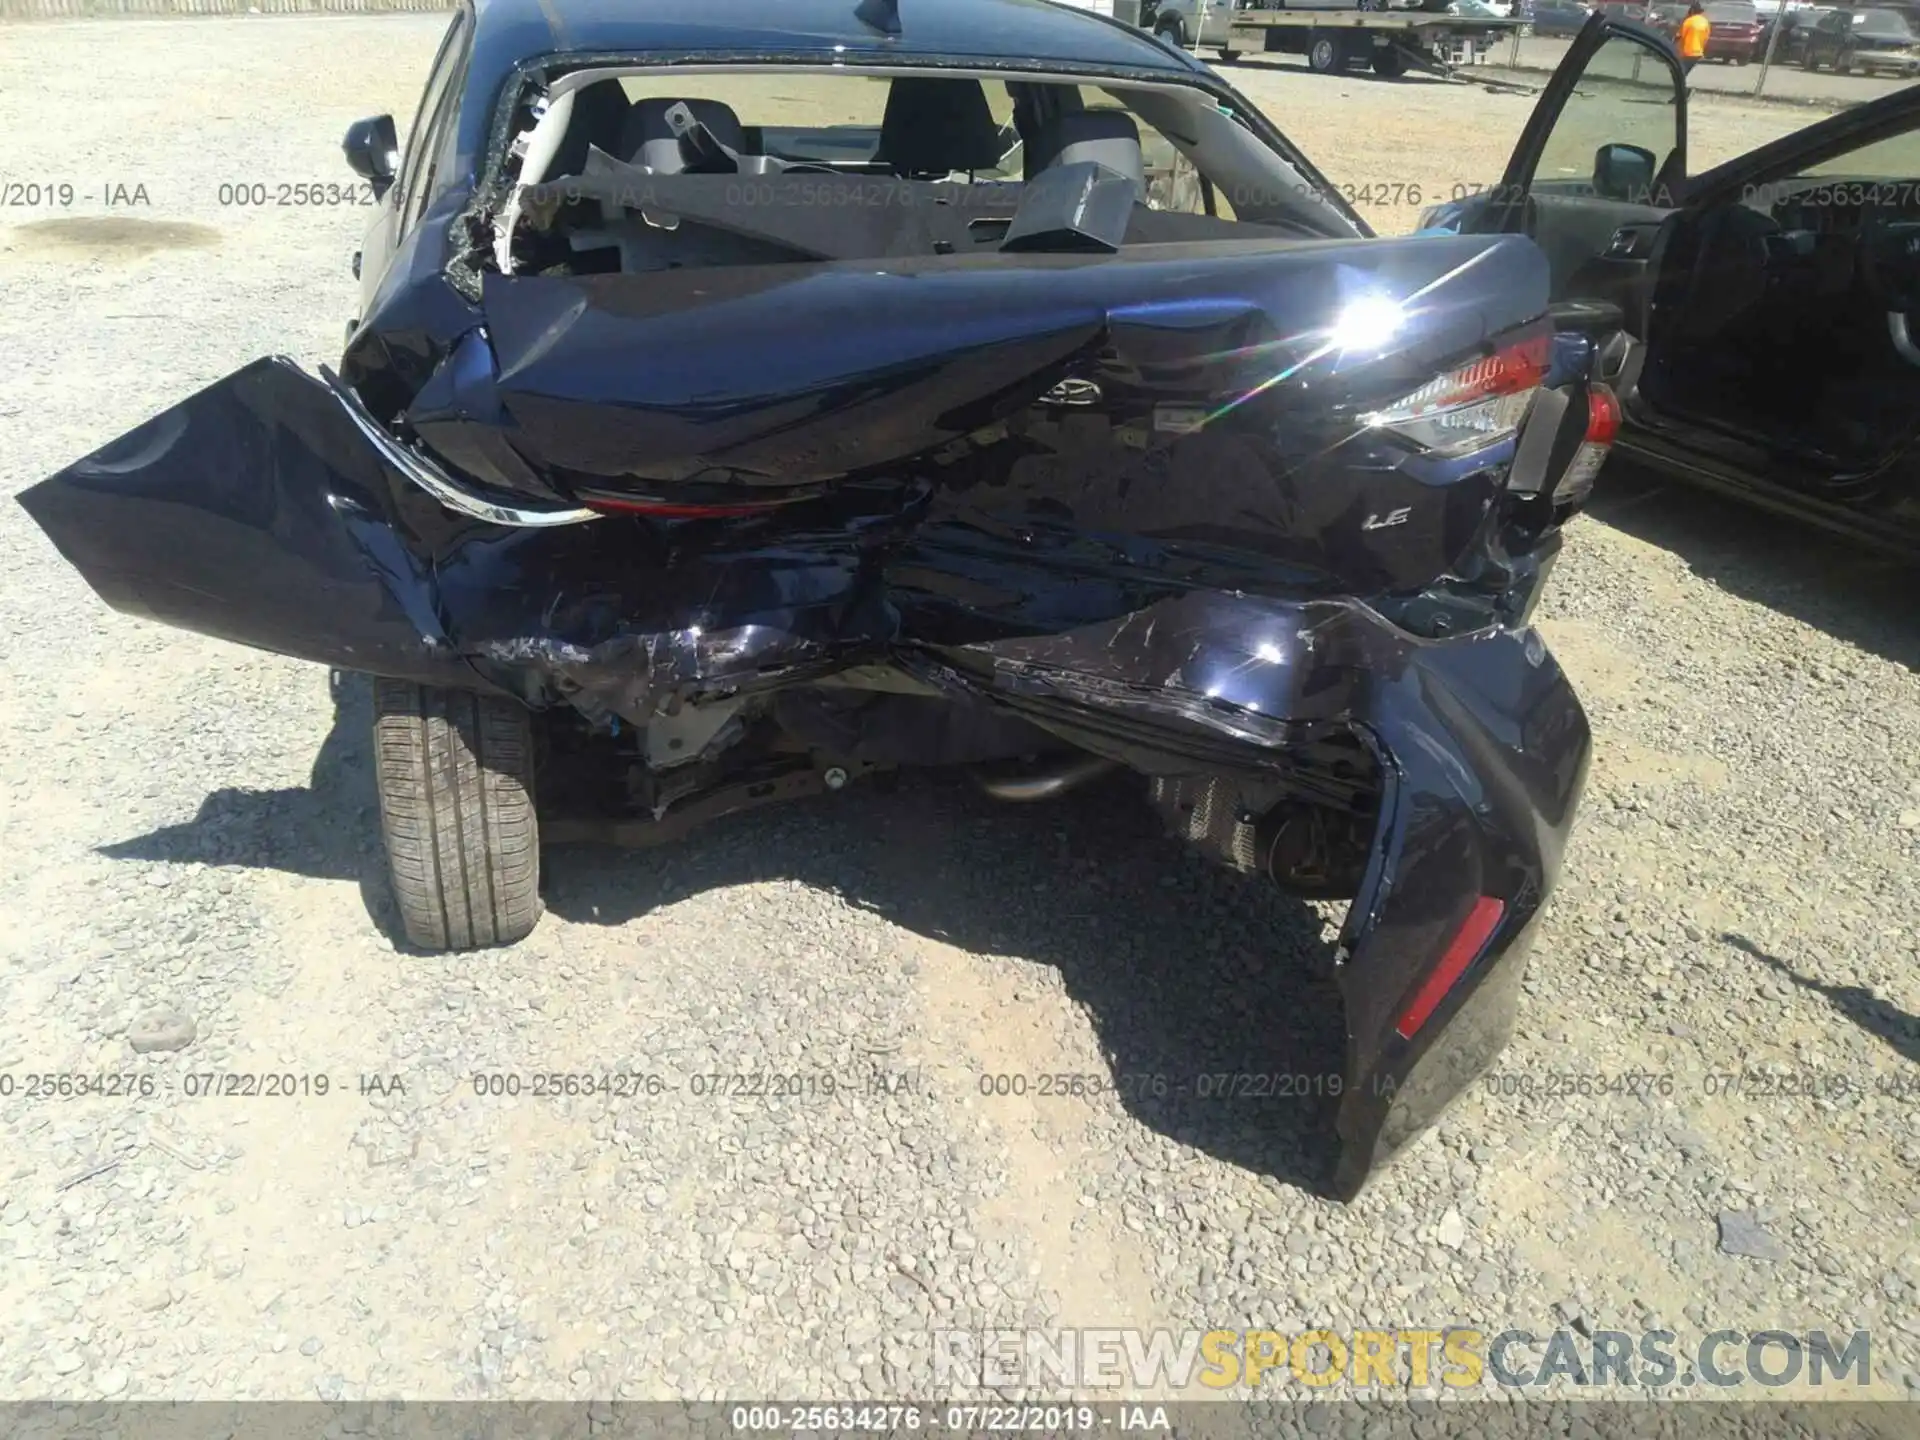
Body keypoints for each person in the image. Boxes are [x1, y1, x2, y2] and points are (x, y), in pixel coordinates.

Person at [1678, 0, 1710, 74]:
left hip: (1687, 52)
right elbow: (1706, 38)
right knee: (1685, 70)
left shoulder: (1688, 21)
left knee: (1681, 71)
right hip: (1698, 53)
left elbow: (1680, 37)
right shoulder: (1705, 21)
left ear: (1691, 11)